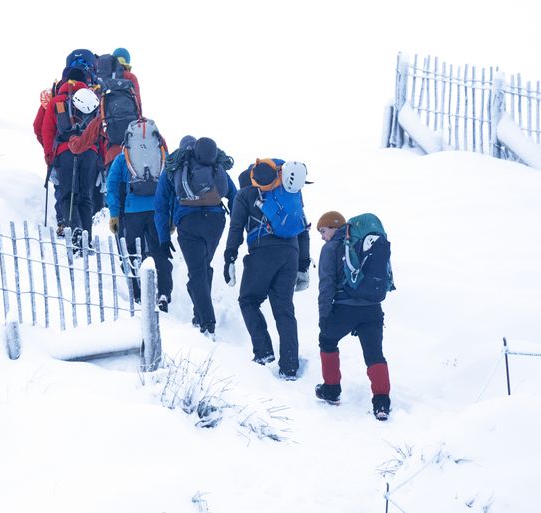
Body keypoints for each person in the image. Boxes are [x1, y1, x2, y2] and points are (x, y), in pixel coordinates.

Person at [223, 159, 310, 379]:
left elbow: (235, 228)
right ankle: (290, 367)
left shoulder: (244, 196)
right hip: (291, 253)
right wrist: (303, 266)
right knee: (284, 310)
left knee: (248, 300)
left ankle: (263, 352)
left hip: (262, 251)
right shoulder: (289, 195)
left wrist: (229, 256)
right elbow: (302, 229)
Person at [154, 136, 237, 338]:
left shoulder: (174, 166)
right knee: (203, 267)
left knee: (197, 272)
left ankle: (207, 323)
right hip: (216, 222)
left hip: (188, 221)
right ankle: (198, 315)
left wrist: (164, 238)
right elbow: (234, 195)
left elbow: (161, 205)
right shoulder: (215, 165)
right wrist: (237, 227)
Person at [314, 211, 393, 421]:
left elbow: (327, 284)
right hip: (373, 308)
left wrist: (324, 316)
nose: (322, 236)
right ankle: (382, 403)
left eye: (323, 231)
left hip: (345, 308)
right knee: (375, 354)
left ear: (334, 227)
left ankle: (331, 389)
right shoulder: (362, 245)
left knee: (327, 340)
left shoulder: (331, 248)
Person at [106, 129, 172, 311]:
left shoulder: (123, 158)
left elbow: (111, 186)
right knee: (160, 252)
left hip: (132, 211)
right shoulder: (161, 156)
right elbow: (171, 186)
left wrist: (114, 214)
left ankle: (137, 294)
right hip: (157, 211)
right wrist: (170, 216)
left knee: (132, 254)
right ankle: (164, 293)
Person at [40, 68, 104, 249]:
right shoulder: (93, 101)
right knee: (86, 197)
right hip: (90, 152)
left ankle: (75, 233)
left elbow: (47, 131)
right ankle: (87, 238)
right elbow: (100, 132)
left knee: (68, 195)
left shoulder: (57, 101)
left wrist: (49, 157)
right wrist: (100, 160)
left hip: (65, 152)